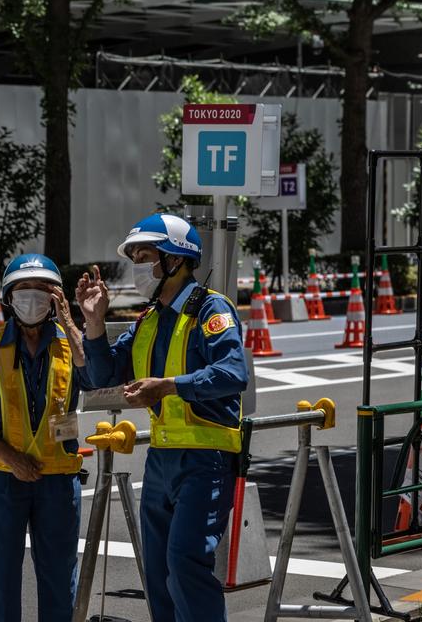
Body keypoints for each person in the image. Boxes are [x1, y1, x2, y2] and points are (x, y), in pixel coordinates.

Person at [76, 213, 249, 622]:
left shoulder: (211, 308)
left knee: (185, 565)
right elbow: (103, 377)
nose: (137, 264)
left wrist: (169, 385)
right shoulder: (148, 320)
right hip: (161, 460)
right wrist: (95, 323)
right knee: (157, 573)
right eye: (134, 255)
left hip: (206, 459)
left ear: (176, 258)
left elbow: (233, 373)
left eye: (145, 254)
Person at [0, 253, 93, 622]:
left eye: (42, 290)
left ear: (56, 299)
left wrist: (71, 324)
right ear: (8, 297)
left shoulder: (69, 345)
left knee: (61, 581)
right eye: (23, 289)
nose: (32, 297)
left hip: (58, 480)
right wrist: (9, 457)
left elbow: (95, 379)